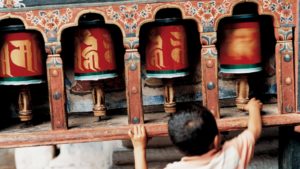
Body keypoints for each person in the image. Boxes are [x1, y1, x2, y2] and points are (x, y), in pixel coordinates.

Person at [128, 98, 263, 169]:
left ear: (178, 146)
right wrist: (253, 108)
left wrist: (139, 148)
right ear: (216, 140)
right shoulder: (232, 154)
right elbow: (254, 130)